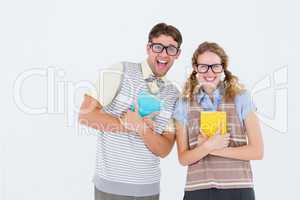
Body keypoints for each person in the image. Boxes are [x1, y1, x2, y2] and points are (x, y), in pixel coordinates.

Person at [79, 23, 182, 200]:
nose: (164, 54)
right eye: (158, 47)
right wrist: (128, 124)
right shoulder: (121, 71)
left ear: (177, 54)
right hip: (110, 188)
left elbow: (164, 149)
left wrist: (141, 127)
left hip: (149, 190)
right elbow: (86, 115)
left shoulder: (173, 94)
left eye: (171, 49)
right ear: (148, 48)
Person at [173, 42, 264, 200]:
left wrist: (212, 148)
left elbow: (257, 151)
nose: (209, 72)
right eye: (203, 66)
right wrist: (209, 145)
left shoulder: (241, 98)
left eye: (215, 66)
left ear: (223, 67)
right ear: (195, 68)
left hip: (238, 189)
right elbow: (183, 158)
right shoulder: (184, 103)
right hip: (198, 190)